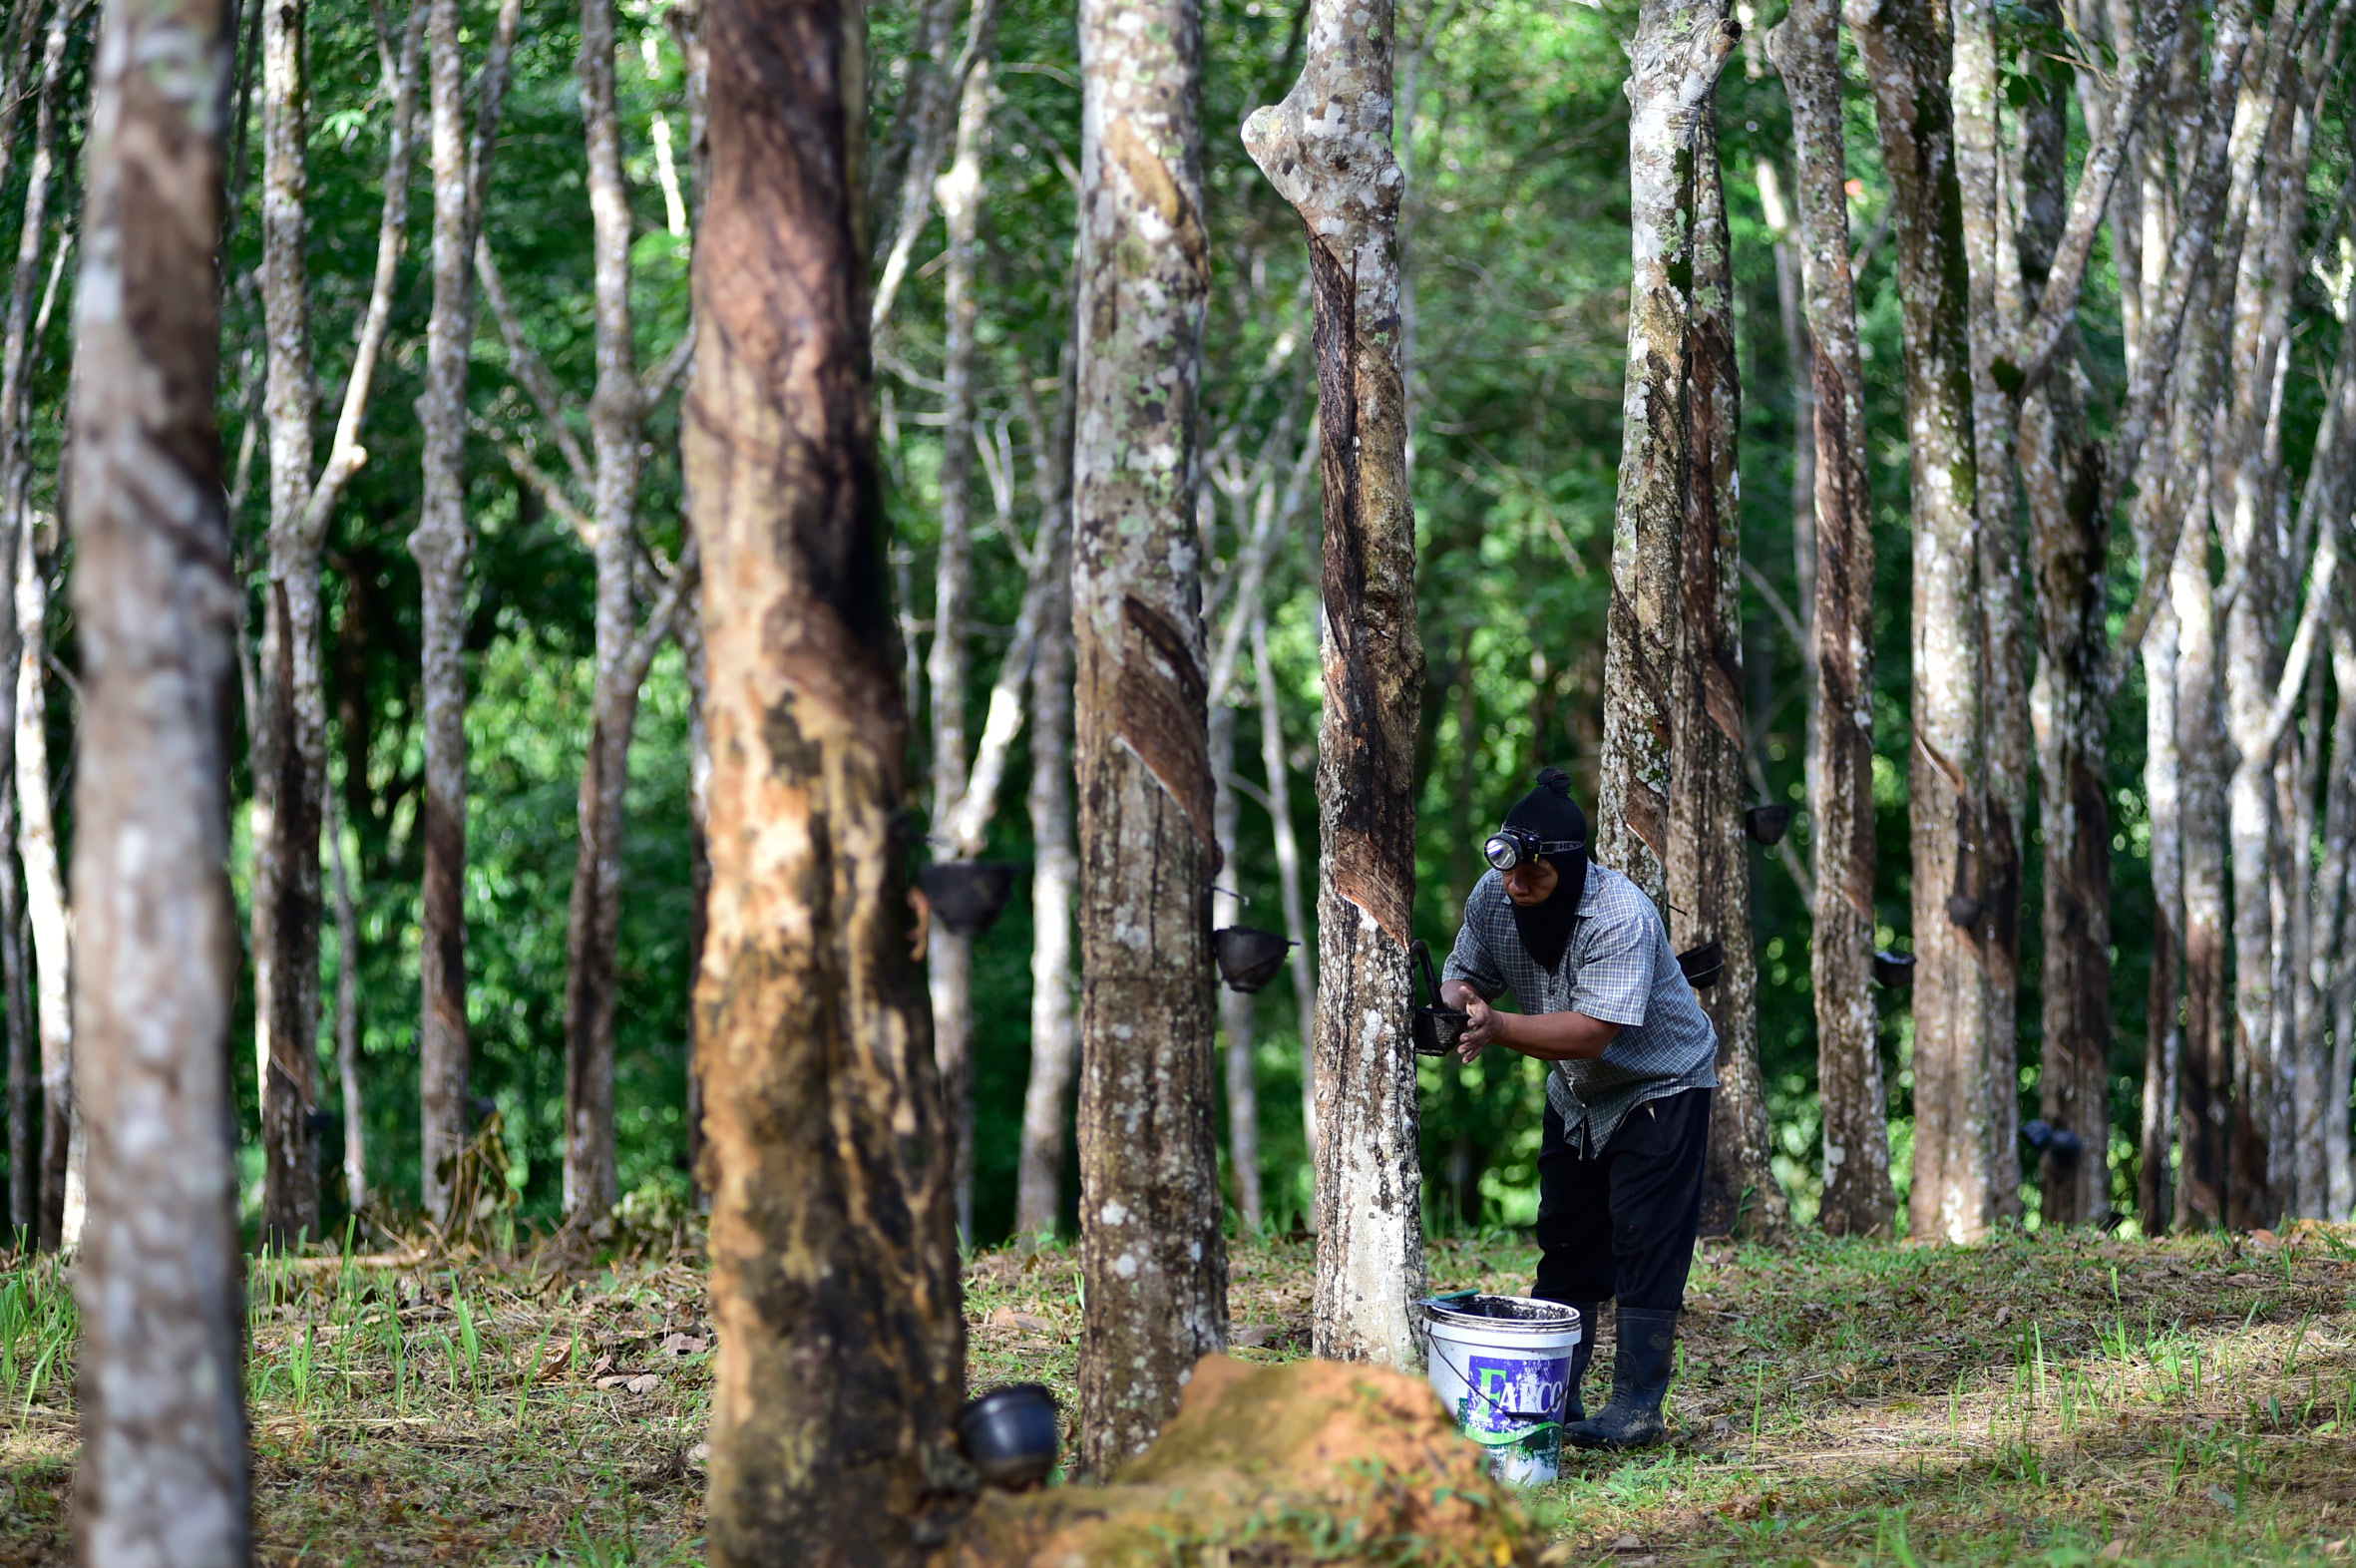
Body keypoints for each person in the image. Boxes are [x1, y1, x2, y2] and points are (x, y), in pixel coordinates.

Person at [1439, 766, 1718, 1452]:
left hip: (1661, 1084)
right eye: (1508, 875)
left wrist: (1498, 1027)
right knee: (1566, 1242)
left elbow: (1595, 1031)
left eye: (1532, 876)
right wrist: (1456, 1008)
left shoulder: (1620, 912)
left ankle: (1636, 1407)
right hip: (1577, 1092)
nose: (1516, 887)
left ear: (1567, 866)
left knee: (1645, 1242)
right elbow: (1461, 973)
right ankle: (1556, 1397)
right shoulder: (1493, 894)